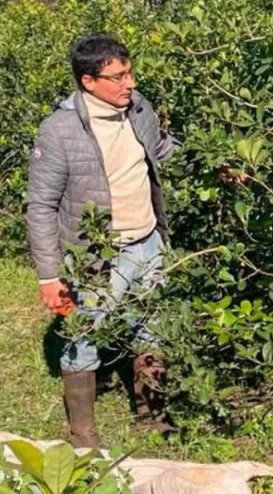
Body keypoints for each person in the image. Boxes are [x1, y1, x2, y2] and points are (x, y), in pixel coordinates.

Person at [27, 35, 179, 447]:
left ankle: (152, 413)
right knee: (82, 338)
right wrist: (49, 276)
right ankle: (84, 432)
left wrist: (210, 160)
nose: (128, 83)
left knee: (152, 328)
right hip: (94, 254)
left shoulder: (138, 108)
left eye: (129, 73)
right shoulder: (59, 131)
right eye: (117, 77)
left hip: (147, 241)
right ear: (88, 82)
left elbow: (160, 149)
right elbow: (40, 206)